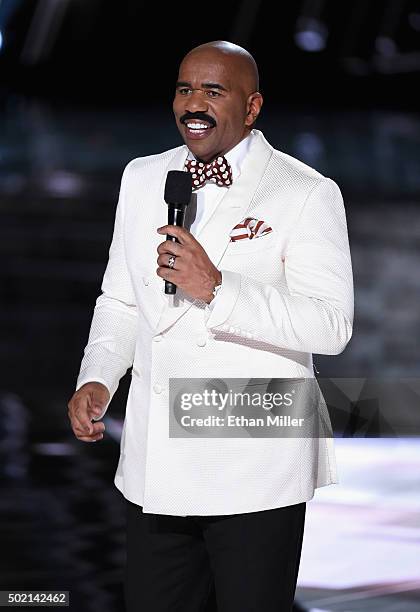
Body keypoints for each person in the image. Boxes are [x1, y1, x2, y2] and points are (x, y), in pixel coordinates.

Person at [68, 40, 354, 612]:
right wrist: (98, 376)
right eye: (184, 88)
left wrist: (218, 288)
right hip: (158, 464)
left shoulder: (306, 192)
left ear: (252, 109)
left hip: (255, 460)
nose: (193, 103)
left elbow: (330, 325)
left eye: (213, 91)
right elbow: (121, 299)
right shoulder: (143, 178)